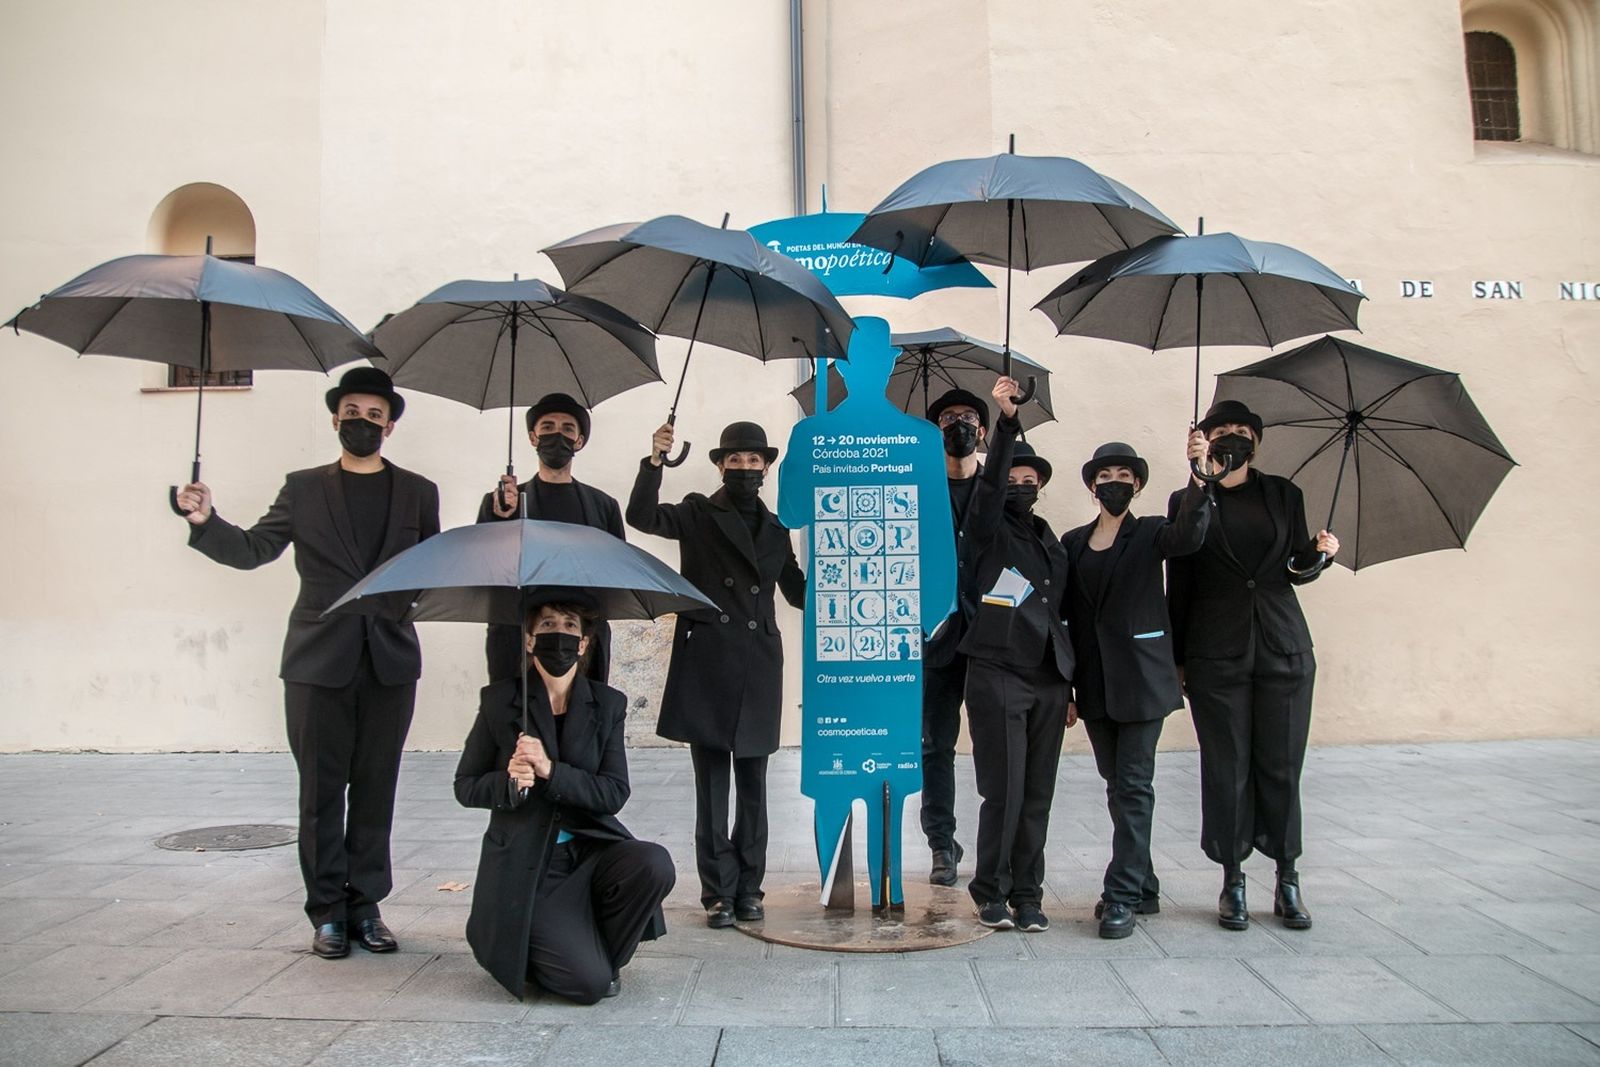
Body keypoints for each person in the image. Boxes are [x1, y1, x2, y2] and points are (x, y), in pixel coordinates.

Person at [174, 366, 440, 960]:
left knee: (376, 788)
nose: (362, 422)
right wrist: (204, 521)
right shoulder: (303, 487)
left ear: (390, 425)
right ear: (335, 418)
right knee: (321, 790)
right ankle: (327, 912)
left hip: (390, 662)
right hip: (317, 662)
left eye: (375, 415)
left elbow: (433, 569)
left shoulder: (420, 493)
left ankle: (366, 905)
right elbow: (255, 550)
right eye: (352, 412)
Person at [1166, 399, 1339, 932]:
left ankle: (1287, 877)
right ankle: (1233, 878)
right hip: (1216, 653)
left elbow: (1293, 568)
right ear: (1207, 439)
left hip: (1283, 646)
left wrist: (1319, 556)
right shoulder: (1189, 498)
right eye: (1224, 431)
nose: (1235, 437)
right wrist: (1178, 661)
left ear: (1256, 442)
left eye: (1244, 430)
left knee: (1283, 764)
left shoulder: (1284, 494)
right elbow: (1181, 580)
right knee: (1227, 765)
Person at [627, 420, 805, 928]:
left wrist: (850, 580)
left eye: (754, 461)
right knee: (711, 787)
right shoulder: (697, 512)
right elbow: (640, 516)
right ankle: (717, 893)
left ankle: (750, 888)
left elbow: (795, 590)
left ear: (766, 468)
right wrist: (654, 461)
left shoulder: (776, 529)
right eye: (736, 460)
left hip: (758, 663)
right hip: (708, 658)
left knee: (753, 786)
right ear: (720, 465)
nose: (745, 469)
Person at [455, 595, 675, 1003]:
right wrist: (508, 783)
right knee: (589, 986)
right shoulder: (501, 701)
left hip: (590, 850)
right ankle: (537, 944)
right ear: (528, 640)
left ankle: (590, 948)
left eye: (570, 626)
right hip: (532, 865)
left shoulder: (607, 704)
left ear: (584, 643)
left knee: (654, 863)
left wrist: (550, 771)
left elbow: (613, 792)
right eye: (548, 625)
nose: (560, 635)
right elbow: (465, 784)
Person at [1061, 436, 1209, 939]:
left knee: (1133, 785)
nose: (1114, 484)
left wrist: (1198, 472)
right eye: (1105, 477)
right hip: (1095, 684)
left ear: (1138, 485)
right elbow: (1066, 616)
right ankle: (1145, 885)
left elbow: (1189, 535)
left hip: (1143, 679)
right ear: (1092, 487)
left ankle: (1121, 892)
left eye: (1124, 477)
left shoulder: (1150, 533)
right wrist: (1066, 687)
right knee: (1116, 785)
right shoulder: (1073, 543)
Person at [960, 377, 1076, 932]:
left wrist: (1069, 682)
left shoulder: (1051, 540)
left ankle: (1028, 893)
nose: (1022, 487)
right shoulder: (984, 530)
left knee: (1037, 794)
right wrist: (1006, 423)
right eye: (1013, 478)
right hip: (997, 672)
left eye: (1031, 481)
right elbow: (985, 496)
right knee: (1002, 792)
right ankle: (990, 891)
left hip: (1049, 680)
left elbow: (1060, 611)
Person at [476, 392, 625, 683]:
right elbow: (486, 568)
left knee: (582, 722)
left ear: (579, 441)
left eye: (567, 428)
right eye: (548, 427)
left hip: (581, 640)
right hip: (519, 637)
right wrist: (501, 518)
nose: (557, 434)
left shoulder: (604, 506)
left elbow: (616, 576)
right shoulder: (505, 502)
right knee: (516, 721)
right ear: (533, 438)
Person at [918, 387, 990, 887]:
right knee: (934, 747)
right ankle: (941, 844)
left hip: (991, 643)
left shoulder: (1001, 493)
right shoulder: (918, 491)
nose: (958, 425)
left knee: (994, 748)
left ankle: (997, 845)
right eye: (947, 418)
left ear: (983, 432)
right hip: (936, 641)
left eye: (967, 418)